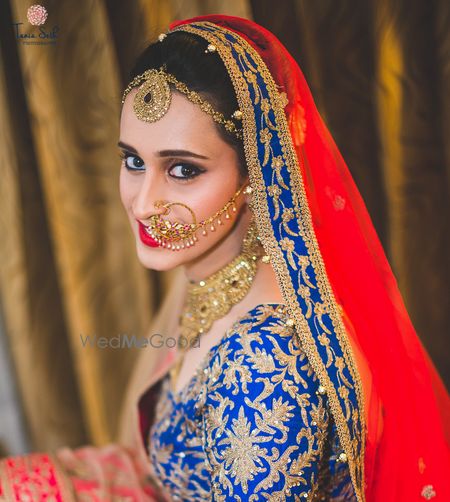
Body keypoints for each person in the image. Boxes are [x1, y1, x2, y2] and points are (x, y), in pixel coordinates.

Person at [0, 14, 449, 502]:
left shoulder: (263, 367)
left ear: (255, 173)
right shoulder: (211, 272)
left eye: (183, 170)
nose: (144, 203)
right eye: (133, 160)